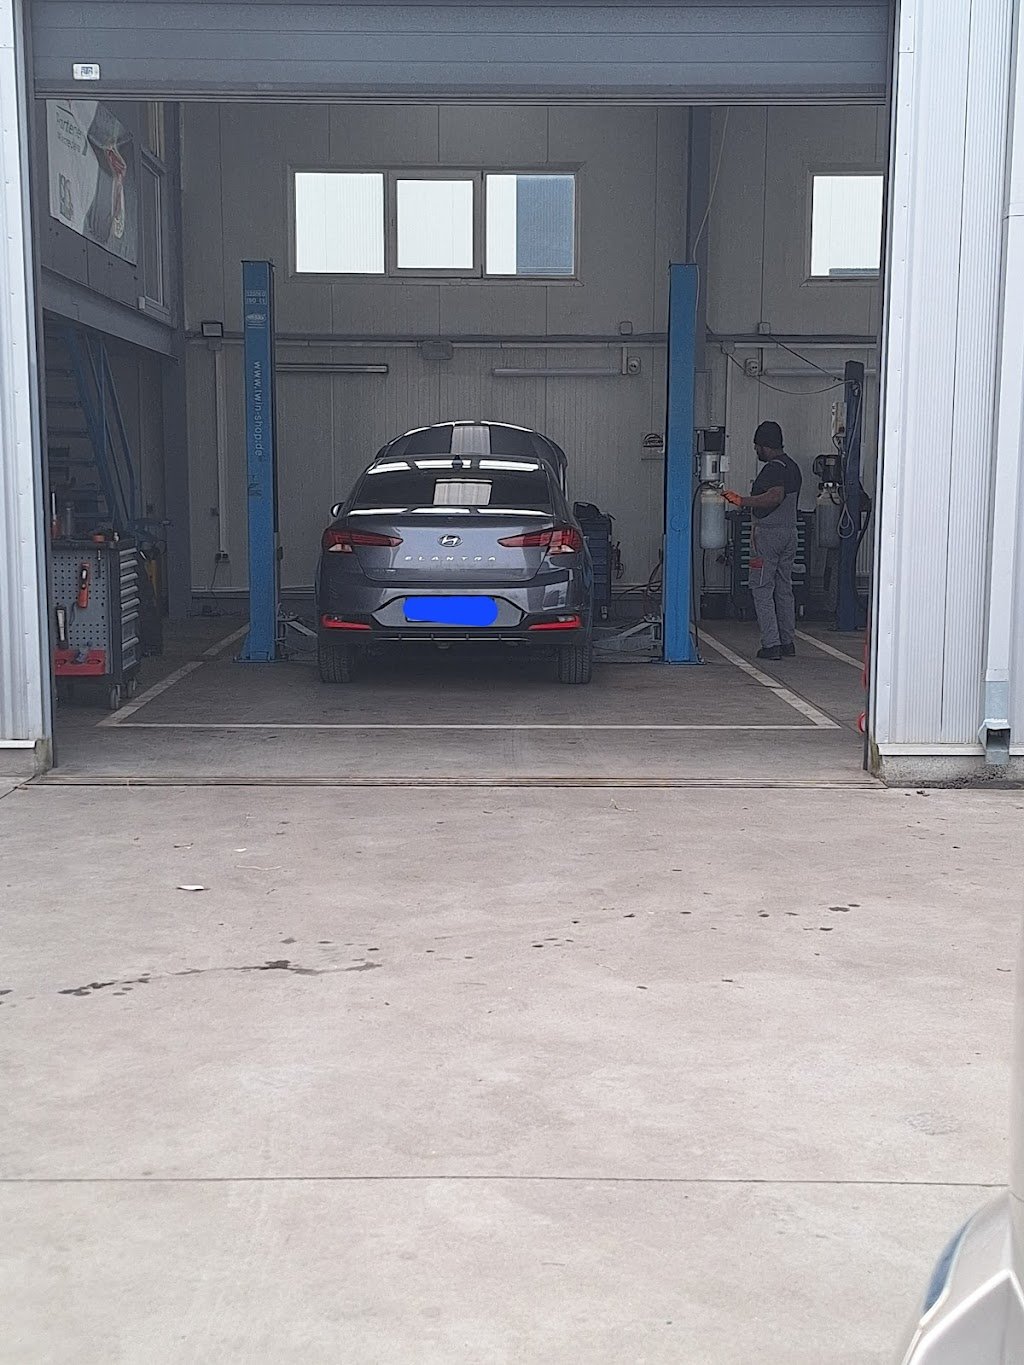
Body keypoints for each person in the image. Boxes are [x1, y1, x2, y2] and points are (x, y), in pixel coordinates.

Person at [723, 421, 802, 661]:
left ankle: (771, 644)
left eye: (757, 446)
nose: (756, 450)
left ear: (765, 446)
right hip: (790, 532)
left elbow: (774, 496)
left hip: (768, 534)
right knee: (784, 588)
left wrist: (741, 501)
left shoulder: (773, 469)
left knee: (761, 588)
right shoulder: (792, 466)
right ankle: (787, 642)